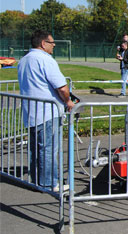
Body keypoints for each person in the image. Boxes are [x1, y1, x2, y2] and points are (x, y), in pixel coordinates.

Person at [17, 30, 74, 192]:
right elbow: (62, 87)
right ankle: (49, 183)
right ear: (43, 43)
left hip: (32, 111)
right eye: (51, 42)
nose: (54, 45)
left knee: (36, 148)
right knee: (48, 148)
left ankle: (37, 180)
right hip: (48, 112)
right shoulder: (46, 60)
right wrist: (68, 101)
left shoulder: (24, 60)